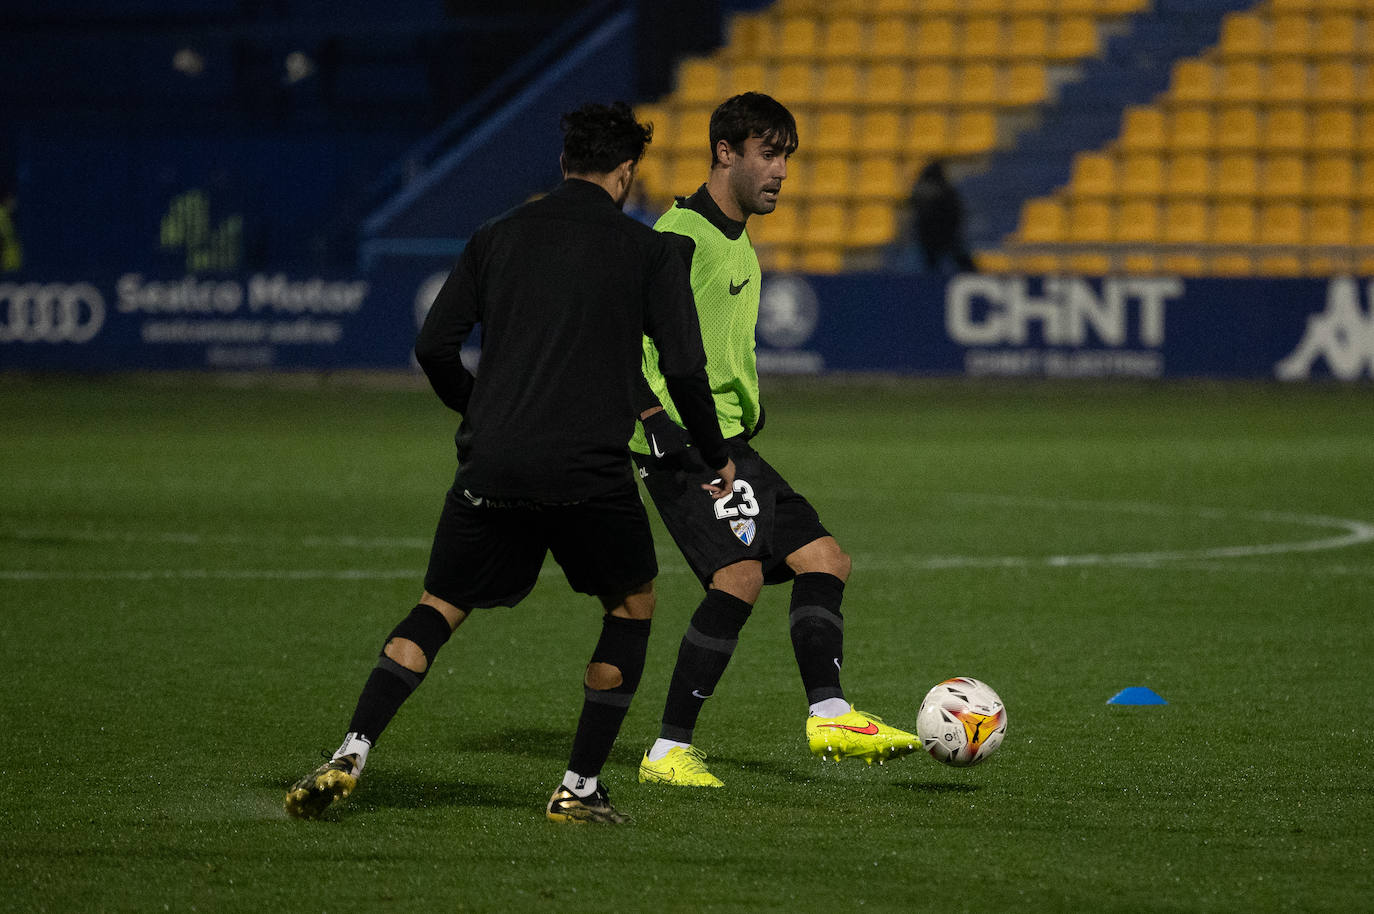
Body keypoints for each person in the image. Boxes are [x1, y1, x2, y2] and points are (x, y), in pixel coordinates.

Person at [284, 101, 736, 825]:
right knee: (631, 604)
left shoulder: (495, 238)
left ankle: (353, 749)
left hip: (494, 462)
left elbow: (434, 347)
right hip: (588, 470)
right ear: (626, 175)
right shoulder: (650, 252)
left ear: (563, 165)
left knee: (439, 606)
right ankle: (579, 787)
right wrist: (714, 453)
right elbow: (684, 368)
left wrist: (482, 412)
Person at [630, 92, 918, 789]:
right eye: (768, 153)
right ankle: (669, 750)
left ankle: (830, 712)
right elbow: (618, 339)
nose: (781, 171)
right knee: (740, 576)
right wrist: (654, 423)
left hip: (727, 440)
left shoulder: (733, 234)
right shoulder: (678, 237)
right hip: (682, 445)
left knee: (825, 558)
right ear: (724, 153)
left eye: (786, 156)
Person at [908, 158, 976, 275]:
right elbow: (956, 213)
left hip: (927, 237)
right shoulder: (946, 191)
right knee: (959, 260)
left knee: (930, 264)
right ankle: (973, 277)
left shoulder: (920, 189)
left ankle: (927, 283)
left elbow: (914, 209)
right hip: (945, 236)